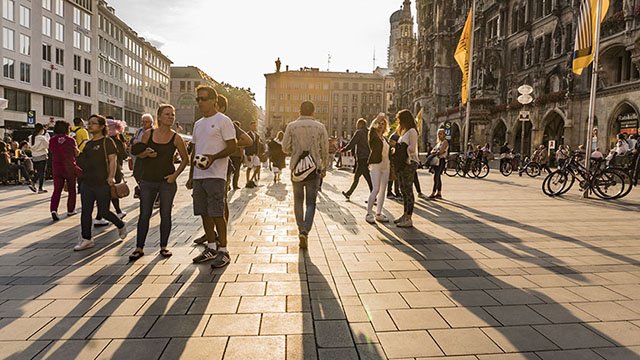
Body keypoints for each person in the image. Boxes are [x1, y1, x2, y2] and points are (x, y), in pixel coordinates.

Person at [129, 105, 189, 261]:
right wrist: (145, 153)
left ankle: (163, 246)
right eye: (167, 114)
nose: (171, 117)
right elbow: (138, 153)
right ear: (159, 117)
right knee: (144, 214)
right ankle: (139, 248)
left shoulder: (176, 137)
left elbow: (185, 159)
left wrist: (174, 176)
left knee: (165, 214)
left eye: (172, 114)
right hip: (148, 181)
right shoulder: (148, 134)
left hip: (166, 182)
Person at [187, 85, 237, 268]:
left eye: (203, 99)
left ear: (214, 101)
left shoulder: (223, 121)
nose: (199, 102)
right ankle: (211, 247)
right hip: (200, 175)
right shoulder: (198, 124)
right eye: (197, 99)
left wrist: (213, 157)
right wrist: (191, 176)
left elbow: (233, 146)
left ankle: (223, 251)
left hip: (216, 175)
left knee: (217, 213)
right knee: (204, 213)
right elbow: (194, 150)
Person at [75, 114, 127, 251]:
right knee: (86, 212)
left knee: (104, 212)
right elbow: (82, 161)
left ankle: (120, 224)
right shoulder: (88, 144)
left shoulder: (107, 142)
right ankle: (86, 239)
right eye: (89, 123)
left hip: (102, 182)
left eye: (93, 123)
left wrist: (111, 176)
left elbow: (112, 160)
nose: (90, 125)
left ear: (102, 126)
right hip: (87, 182)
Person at [283, 101, 329, 249]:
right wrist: (323, 167)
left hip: (297, 168)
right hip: (313, 169)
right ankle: (305, 231)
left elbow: (284, 148)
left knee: (298, 200)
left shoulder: (291, 126)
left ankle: (300, 228)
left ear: (299, 111)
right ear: (313, 111)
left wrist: (295, 152)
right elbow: (325, 150)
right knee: (311, 202)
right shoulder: (320, 127)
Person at [48, 121, 80, 221]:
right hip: (69, 167)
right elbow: (76, 153)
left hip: (57, 166)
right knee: (71, 189)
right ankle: (70, 210)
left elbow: (52, 151)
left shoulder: (52, 140)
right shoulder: (71, 140)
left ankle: (53, 209)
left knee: (57, 189)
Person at [394, 110, 419, 228]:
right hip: (402, 163)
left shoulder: (412, 131)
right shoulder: (405, 132)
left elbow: (412, 148)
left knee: (408, 190)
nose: (398, 122)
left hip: (409, 163)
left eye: (399, 119)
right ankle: (404, 215)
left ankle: (409, 218)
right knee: (403, 189)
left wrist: (400, 147)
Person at [366, 114, 391, 224]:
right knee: (375, 189)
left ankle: (379, 213)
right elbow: (372, 127)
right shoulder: (373, 135)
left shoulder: (384, 138)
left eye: (383, 124)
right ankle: (369, 213)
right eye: (379, 124)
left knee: (382, 191)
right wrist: (379, 118)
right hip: (376, 164)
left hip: (386, 166)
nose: (381, 125)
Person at [341, 118, 372, 201]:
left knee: (367, 178)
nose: (356, 126)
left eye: (357, 124)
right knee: (357, 177)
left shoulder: (359, 132)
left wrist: (344, 149)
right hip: (367, 157)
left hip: (362, 157)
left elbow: (352, 143)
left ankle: (374, 195)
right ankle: (349, 193)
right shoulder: (369, 132)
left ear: (360, 124)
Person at [131, 113, 154, 199]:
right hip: (139, 155)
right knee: (136, 173)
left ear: (151, 122)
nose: (144, 124)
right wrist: (134, 142)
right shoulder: (139, 131)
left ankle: (147, 192)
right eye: (143, 122)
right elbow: (133, 140)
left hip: (149, 156)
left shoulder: (154, 131)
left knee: (148, 175)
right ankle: (141, 188)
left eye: (147, 122)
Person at [428, 129, 449, 199]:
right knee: (438, 177)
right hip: (436, 160)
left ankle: (433, 192)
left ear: (444, 134)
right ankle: (439, 193)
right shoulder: (439, 143)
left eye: (441, 134)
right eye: (438, 134)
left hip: (441, 160)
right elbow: (432, 151)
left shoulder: (445, 142)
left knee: (436, 177)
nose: (439, 135)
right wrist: (435, 151)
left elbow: (441, 151)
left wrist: (436, 152)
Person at [30, 123, 49, 193]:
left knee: (38, 171)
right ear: (41, 130)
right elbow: (47, 146)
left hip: (34, 156)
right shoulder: (42, 138)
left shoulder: (31, 137)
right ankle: (39, 187)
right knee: (42, 172)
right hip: (42, 155)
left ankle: (33, 183)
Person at [244, 121, 262, 187]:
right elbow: (246, 145)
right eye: (253, 126)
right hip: (249, 153)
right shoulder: (247, 134)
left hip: (255, 154)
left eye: (255, 126)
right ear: (250, 126)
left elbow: (257, 145)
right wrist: (248, 155)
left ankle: (251, 180)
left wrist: (257, 153)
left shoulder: (257, 135)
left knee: (259, 166)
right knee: (249, 167)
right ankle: (247, 181)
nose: (254, 127)